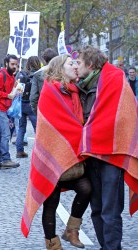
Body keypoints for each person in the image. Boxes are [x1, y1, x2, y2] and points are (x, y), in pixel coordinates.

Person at [21, 54, 93, 250]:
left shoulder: (76, 91)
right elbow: (57, 123)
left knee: (86, 188)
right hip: (52, 156)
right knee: (51, 202)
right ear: (60, 68)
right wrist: (82, 132)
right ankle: (52, 244)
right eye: (71, 63)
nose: (76, 66)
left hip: (72, 157)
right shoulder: (50, 90)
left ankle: (72, 230)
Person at [76, 45, 138, 249]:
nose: (76, 66)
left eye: (79, 63)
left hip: (112, 156)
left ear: (90, 65)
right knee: (96, 209)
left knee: (110, 211)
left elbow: (125, 116)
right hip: (90, 155)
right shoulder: (80, 86)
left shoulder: (114, 81)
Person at [0, 54, 21, 169]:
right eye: (12, 64)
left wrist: (17, 91)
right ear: (6, 64)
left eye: (16, 65)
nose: (14, 67)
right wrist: (7, 95)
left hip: (5, 109)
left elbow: (11, 93)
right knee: (6, 133)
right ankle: (6, 159)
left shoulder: (12, 77)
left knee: (1, 134)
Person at [14, 56, 40, 158]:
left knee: (21, 128)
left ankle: (19, 151)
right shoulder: (37, 75)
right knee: (37, 128)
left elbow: (17, 91)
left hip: (21, 104)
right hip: (31, 104)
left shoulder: (21, 75)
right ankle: (39, 151)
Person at [30, 48, 58, 114]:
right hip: (59, 109)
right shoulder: (62, 72)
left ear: (44, 60)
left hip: (44, 109)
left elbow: (33, 97)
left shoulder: (37, 74)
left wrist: (36, 111)